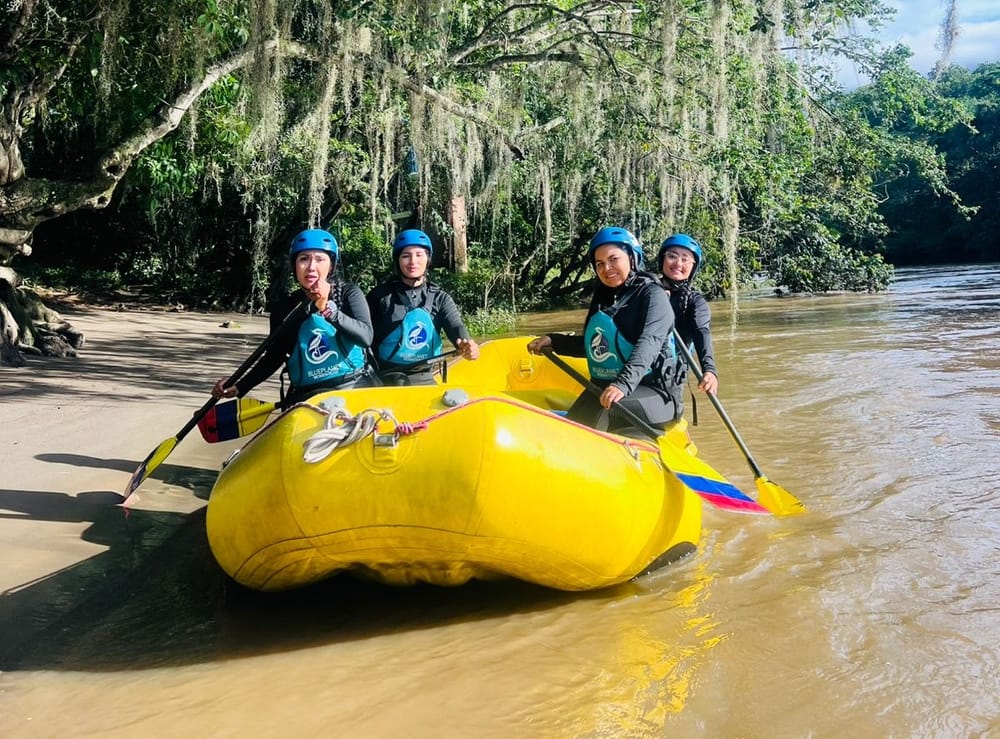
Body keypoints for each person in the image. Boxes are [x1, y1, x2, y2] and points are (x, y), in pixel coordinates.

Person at [526, 226, 684, 435]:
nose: (606, 268)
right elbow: (598, 346)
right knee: (576, 420)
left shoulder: (653, 296)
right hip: (608, 388)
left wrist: (622, 385)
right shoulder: (603, 297)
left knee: (604, 409)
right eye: (599, 264)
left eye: (613, 259)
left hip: (656, 394)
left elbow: (650, 344)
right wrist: (555, 342)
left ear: (631, 258)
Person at [212, 228, 378, 406]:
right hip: (306, 395)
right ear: (295, 266)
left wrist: (328, 309)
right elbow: (274, 356)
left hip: (353, 386)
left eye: (320, 259)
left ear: (331, 265)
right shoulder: (285, 307)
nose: (311, 267)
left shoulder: (348, 294)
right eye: (304, 259)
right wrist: (240, 385)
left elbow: (365, 337)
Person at [366, 228, 479, 385]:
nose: (413, 261)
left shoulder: (440, 298)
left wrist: (467, 344)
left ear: (428, 259)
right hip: (385, 378)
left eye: (419, 255)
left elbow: (456, 326)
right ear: (397, 260)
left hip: (425, 377)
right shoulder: (379, 296)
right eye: (406, 256)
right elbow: (362, 335)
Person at [656, 233, 718, 395]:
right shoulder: (646, 289)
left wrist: (709, 370)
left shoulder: (695, 301)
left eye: (685, 259)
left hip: (668, 372)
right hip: (634, 364)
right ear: (662, 259)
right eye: (672, 256)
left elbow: (701, 332)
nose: (678, 263)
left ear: (692, 267)